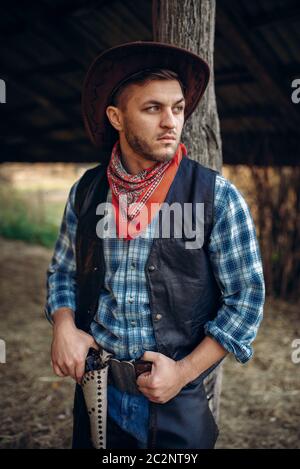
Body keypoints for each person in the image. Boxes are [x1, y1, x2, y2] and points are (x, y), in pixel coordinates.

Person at [44, 41, 265, 449]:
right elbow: (63, 271)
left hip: (176, 401)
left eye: (178, 108)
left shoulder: (216, 196)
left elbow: (246, 300)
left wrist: (182, 372)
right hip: (98, 391)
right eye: (153, 109)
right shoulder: (87, 192)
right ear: (116, 117)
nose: (171, 122)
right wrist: (63, 326)